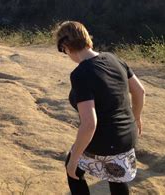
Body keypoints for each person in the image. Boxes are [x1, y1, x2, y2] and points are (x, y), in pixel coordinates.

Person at [55, 21, 145, 195]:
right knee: (117, 177)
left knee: (73, 170)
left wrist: (74, 159)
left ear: (66, 46)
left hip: (104, 141)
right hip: (127, 138)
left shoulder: (81, 74)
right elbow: (140, 91)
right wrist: (136, 118)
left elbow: (89, 124)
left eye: (62, 50)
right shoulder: (114, 58)